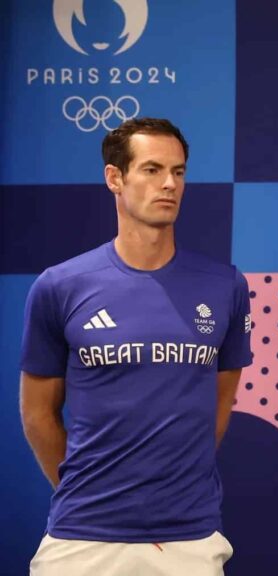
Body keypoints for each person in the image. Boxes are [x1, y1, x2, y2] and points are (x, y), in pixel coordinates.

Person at [19, 118, 252, 576]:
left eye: (178, 172)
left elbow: (220, 402)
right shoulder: (60, 286)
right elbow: (37, 414)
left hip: (189, 537)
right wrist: (89, 493)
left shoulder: (225, 285)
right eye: (151, 169)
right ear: (115, 178)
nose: (169, 184)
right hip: (82, 536)